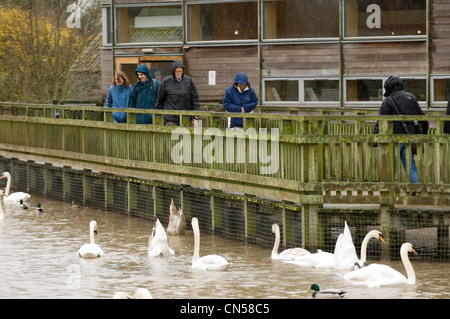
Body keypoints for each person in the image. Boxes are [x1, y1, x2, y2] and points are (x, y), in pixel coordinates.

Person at [374, 75, 428, 184]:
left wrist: (375, 138)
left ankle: (390, 190)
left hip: (393, 138)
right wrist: (423, 134)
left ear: (389, 87)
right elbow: (422, 118)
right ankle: (415, 189)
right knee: (410, 165)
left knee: (390, 166)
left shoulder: (388, 100)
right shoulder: (411, 97)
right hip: (409, 137)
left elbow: (381, 120)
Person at [155, 60, 200, 126]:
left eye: (180, 71)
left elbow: (194, 98)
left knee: (185, 135)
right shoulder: (166, 82)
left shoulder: (189, 81)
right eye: (177, 71)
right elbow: (160, 99)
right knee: (173, 134)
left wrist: (195, 115)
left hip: (186, 116)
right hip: (171, 117)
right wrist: (158, 114)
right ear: (173, 71)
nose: (179, 73)